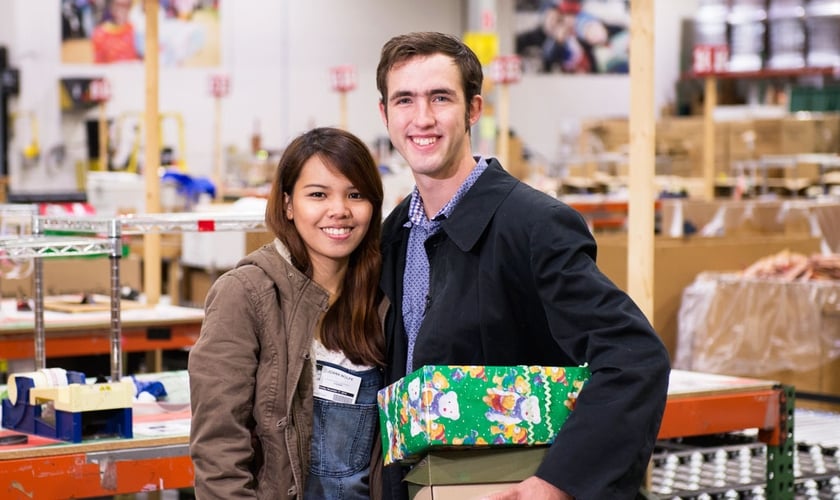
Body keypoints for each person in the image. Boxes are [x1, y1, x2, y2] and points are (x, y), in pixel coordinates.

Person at [375, 31, 670, 500]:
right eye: (405, 100)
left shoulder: (534, 226)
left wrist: (558, 482)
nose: (422, 118)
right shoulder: (396, 235)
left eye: (441, 98)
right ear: (385, 114)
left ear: (474, 110)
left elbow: (634, 356)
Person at [189, 127, 387, 499]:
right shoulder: (246, 294)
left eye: (355, 195)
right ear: (287, 204)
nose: (340, 210)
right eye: (318, 195)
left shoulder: (382, 298)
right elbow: (219, 450)